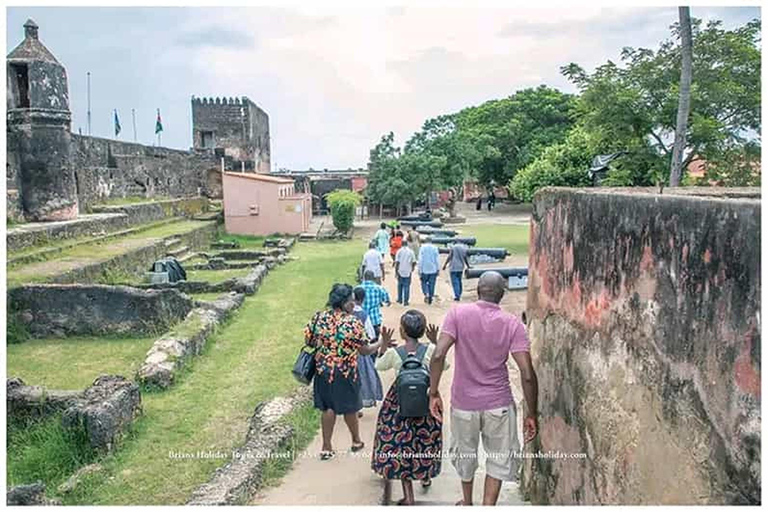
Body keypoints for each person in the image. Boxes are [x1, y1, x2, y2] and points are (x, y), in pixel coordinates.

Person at [429, 271, 539, 506]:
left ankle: (467, 502)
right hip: (498, 404)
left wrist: (433, 392)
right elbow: (527, 374)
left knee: (465, 456)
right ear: (502, 294)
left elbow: (438, 354)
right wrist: (532, 413)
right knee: (499, 460)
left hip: (463, 404)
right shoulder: (512, 324)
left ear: (478, 289)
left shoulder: (457, 314)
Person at [307, 283, 392, 460]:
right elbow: (365, 350)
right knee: (350, 407)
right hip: (346, 371)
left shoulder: (318, 318)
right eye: (351, 301)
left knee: (327, 407)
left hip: (323, 370)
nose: (354, 304)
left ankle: (326, 446)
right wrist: (381, 343)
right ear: (344, 303)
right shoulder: (353, 322)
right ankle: (355, 440)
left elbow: (309, 340)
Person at [372, 311, 445, 506]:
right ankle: (425, 475)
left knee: (403, 446)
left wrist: (384, 345)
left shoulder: (395, 353)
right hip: (427, 402)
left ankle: (409, 497)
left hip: (400, 405)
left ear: (402, 332)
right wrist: (435, 341)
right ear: (423, 331)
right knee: (425, 442)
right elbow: (443, 365)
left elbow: (378, 365)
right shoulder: (430, 350)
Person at [353, 286, 384, 416]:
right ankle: (357, 407)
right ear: (363, 299)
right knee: (360, 379)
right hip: (360, 353)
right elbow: (370, 335)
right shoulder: (363, 315)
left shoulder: (343, 313)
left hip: (342, 353)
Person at [360, 270, 391, 342]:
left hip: (361, 320)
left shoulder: (358, 288)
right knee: (375, 342)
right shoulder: (379, 288)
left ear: (364, 277)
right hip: (375, 320)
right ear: (373, 278)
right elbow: (387, 300)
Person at [417, 239, 440, 305]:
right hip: (433, 268)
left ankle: (426, 293)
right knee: (432, 283)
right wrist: (438, 269)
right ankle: (431, 295)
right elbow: (437, 259)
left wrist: (419, 269)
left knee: (423, 282)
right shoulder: (435, 248)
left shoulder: (422, 248)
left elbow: (420, 259)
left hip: (424, 268)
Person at [394, 239, 416, 306]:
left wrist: (396, 271)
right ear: (407, 244)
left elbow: (397, 262)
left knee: (400, 285)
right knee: (407, 286)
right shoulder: (411, 251)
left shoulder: (399, 251)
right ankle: (406, 301)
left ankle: (400, 299)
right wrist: (412, 268)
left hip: (400, 270)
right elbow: (414, 261)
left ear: (401, 244)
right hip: (408, 271)